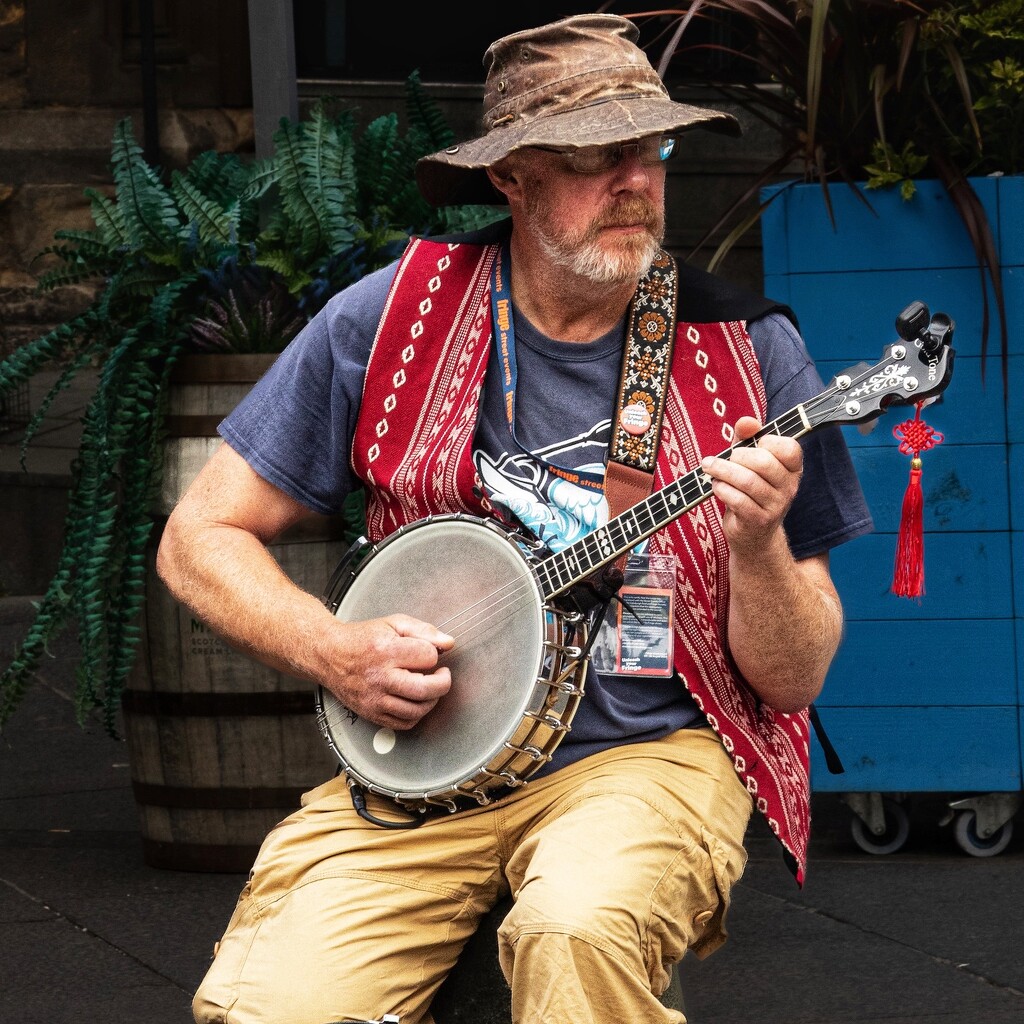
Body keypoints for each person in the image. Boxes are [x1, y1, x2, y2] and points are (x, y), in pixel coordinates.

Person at [160, 13, 872, 1024]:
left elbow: (794, 678)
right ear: (512, 177)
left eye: (652, 150)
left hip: (645, 756)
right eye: (596, 157)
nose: (636, 181)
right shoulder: (386, 319)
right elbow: (198, 537)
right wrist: (332, 648)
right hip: (417, 779)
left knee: (575, 931)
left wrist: (754, 545)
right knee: (274, 1007)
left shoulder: (746, 354)